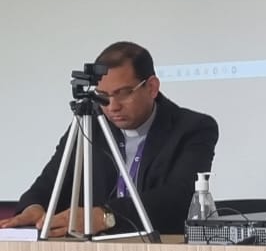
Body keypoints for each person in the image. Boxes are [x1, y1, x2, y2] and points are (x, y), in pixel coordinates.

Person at [1, 42, 219, 237]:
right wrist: (33, 207)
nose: (112, 106)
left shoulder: (192, 127)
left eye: (123, 93)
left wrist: (105, 216)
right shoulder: (90, 125)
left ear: (152, 87)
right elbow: (48, 183)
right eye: (103, 96)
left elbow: (179, 198)